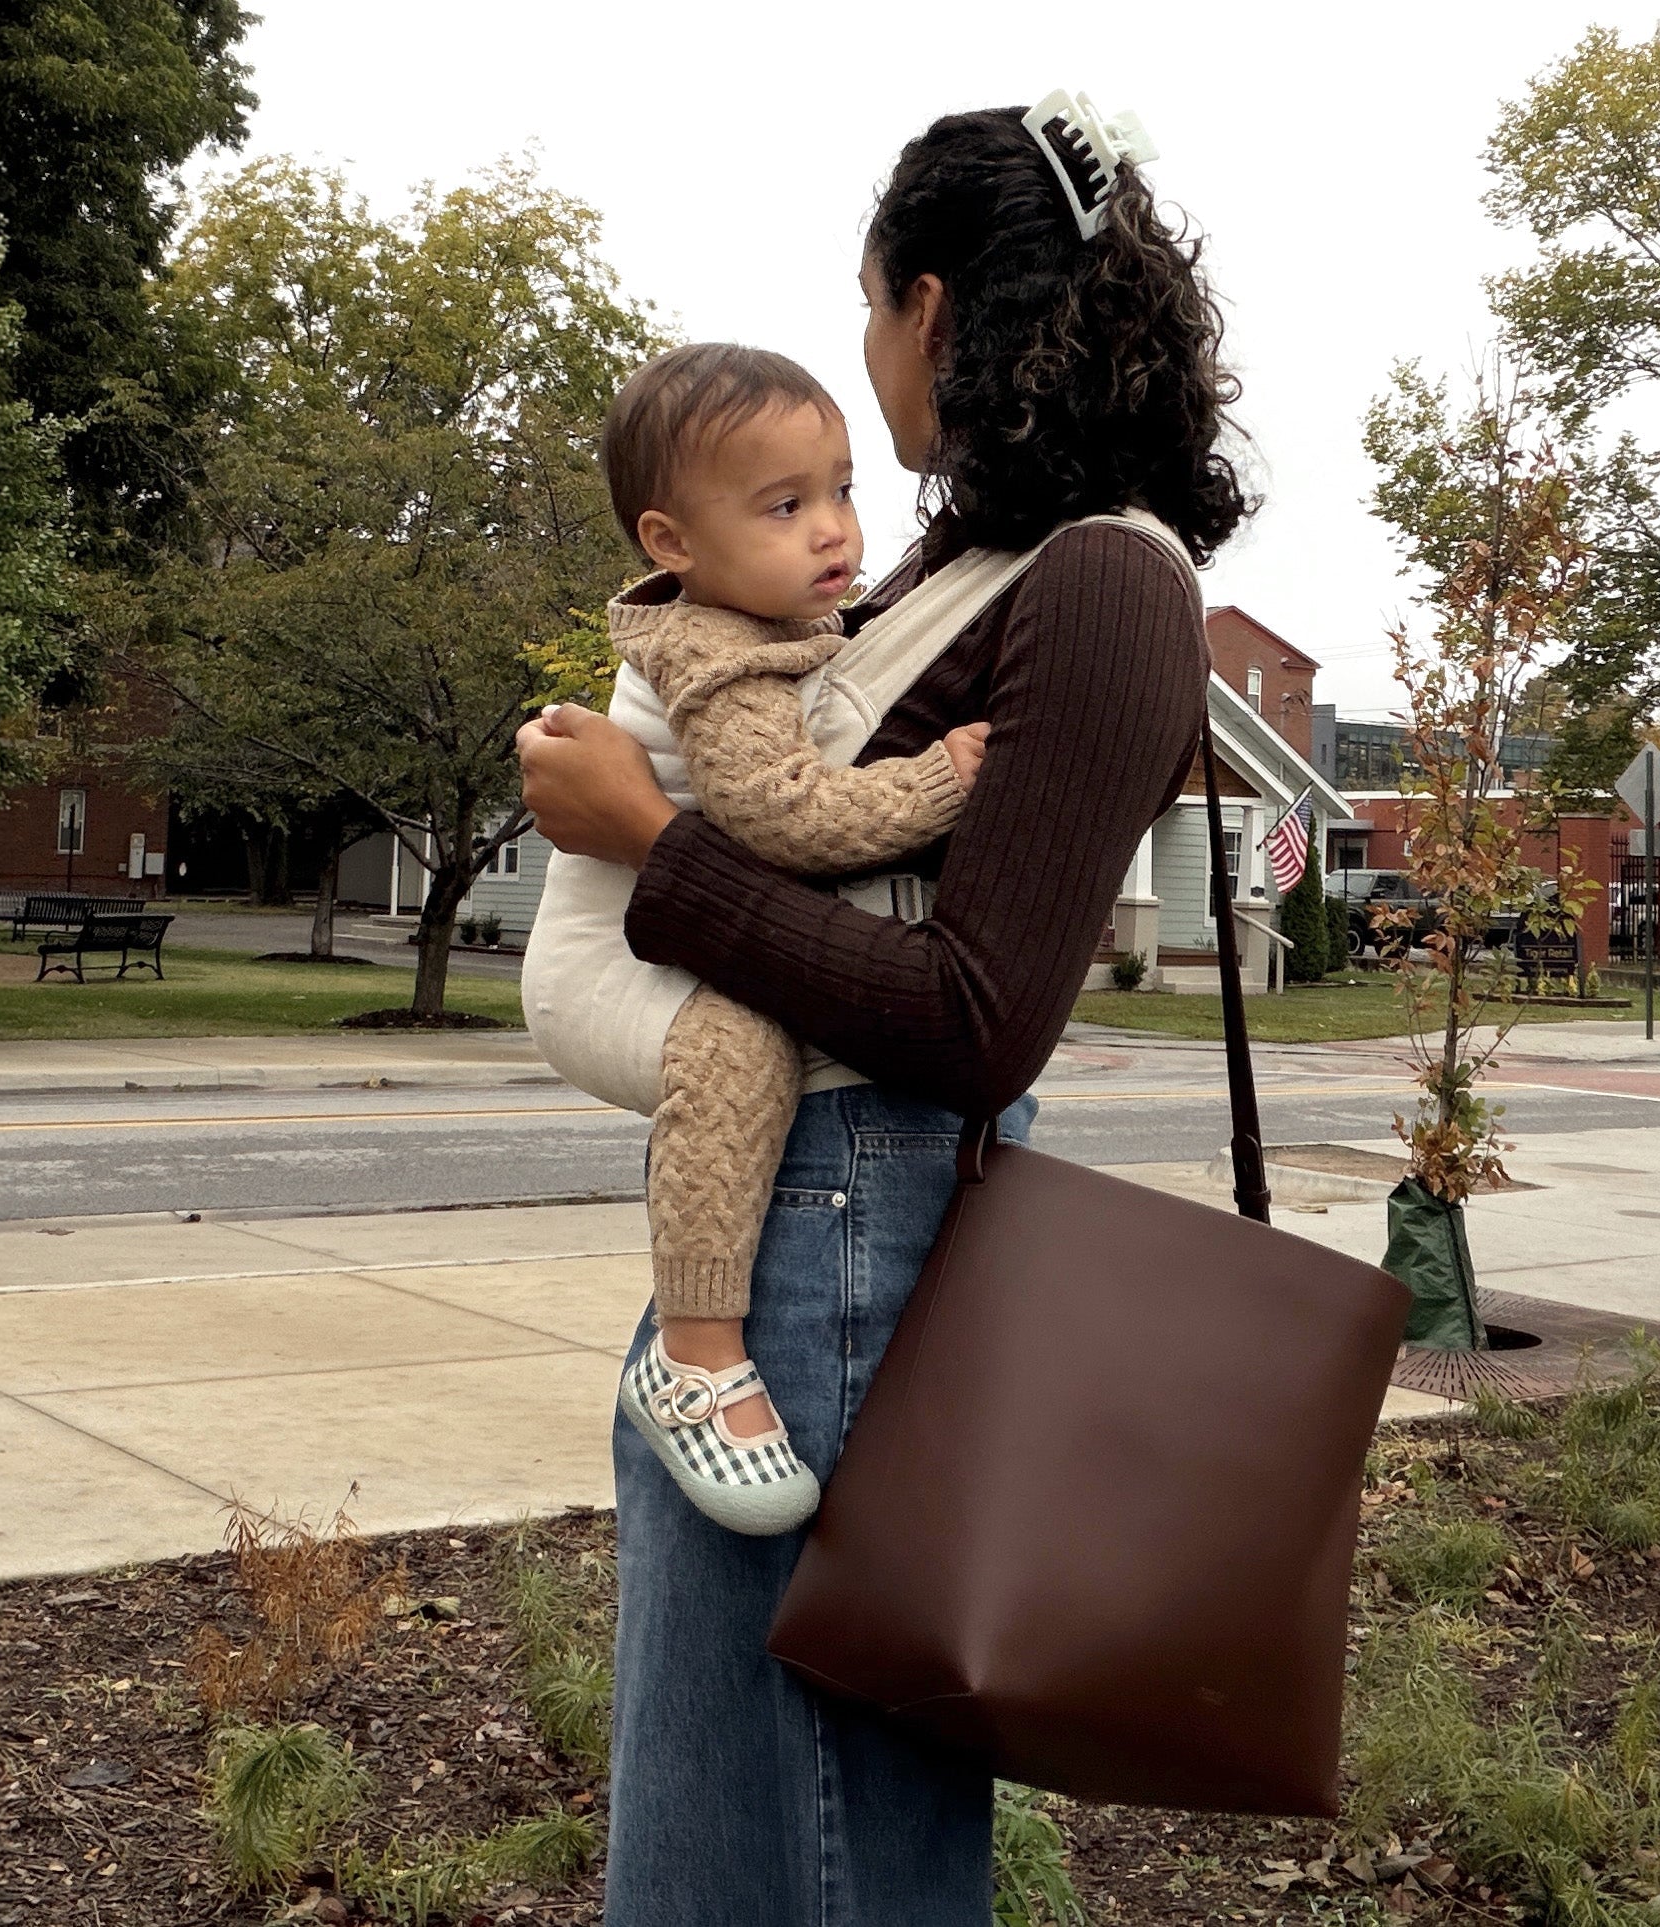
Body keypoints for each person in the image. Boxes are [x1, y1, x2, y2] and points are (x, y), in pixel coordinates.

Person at [518, 95, 1248, 1927]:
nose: (861, 358)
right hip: (793, 1230)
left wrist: (652, 850)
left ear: (929, 307)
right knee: (725, 1807)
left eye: (865, 308)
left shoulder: (1102, 582)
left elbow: (981, 1013)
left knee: (806, 1830)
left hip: (861, 1231)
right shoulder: (952, 572)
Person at [577, 341, 991, 1535]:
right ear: (671, 544)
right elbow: (779, 811)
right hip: (642, 959)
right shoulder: (720, 647)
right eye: (785, 504)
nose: (833, 530)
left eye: (843, 489)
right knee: (739, 1053)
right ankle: (695, 1353)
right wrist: (937, 783)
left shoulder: (775, 615)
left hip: (677, 917)